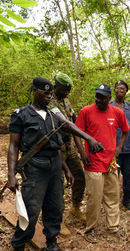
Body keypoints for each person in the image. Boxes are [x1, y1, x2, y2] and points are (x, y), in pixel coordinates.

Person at [7, 77, 73, 251]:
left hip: (54, 169)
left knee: (55, 209)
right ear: (35, 91)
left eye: (51, 93)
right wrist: (11, 174)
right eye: (45, 93)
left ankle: (51, 248)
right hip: (35, 171)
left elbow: (57, 146)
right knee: (31, 213)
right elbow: (13, 146)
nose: (49, 96)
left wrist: (66, 170)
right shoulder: (21, 115)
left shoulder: (53, 116)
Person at [75, 84, 129, 243]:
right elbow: (77, 133)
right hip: (93, 162)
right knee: (95, 198)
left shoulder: (117, 112)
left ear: (108, 98)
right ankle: (90, 229)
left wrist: (119, 148)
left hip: (110, 162)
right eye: (97, 96)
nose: (98, 100)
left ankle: (113, 227)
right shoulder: (86, 111)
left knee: (113, 196)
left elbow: (125, 130)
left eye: (102, 97)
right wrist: (82, 152)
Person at [48, 72, 92, 227]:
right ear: (55, 86)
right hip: (54, 147)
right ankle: (57, 221)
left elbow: (75, 120)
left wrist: (81, 150)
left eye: (69, 89)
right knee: (57, 183)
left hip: (68, 144)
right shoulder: (50, 101)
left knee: (79, 175)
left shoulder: (65, 100)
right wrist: (88, 138)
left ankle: (75, 208)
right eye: (64, 89)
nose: (67, 92)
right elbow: (66, 123)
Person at [109, 80, 130, 212]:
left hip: (129, 147)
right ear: (114, 90)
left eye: (123, 89)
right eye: (118, 88)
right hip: (113, 148)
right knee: (114, 176)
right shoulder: (108, 105)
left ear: (126, 92)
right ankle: (112, 203)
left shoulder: (129, 107)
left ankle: (128, 200)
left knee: (129, 176)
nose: (121, 91)